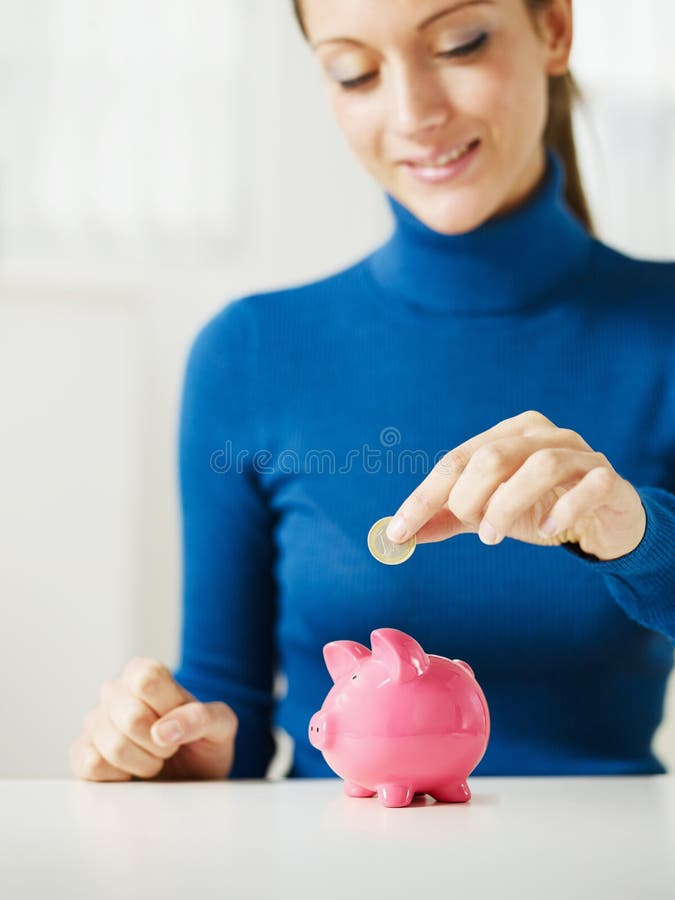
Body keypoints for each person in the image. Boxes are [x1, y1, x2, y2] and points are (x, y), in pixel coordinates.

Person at [70, 0, 675, 783]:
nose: (412, 113)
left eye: (460, 44)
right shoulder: (249, 352)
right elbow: (232, 719)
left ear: (553, 29)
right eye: (352, 72)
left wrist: (637, 536)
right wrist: (175, 752)